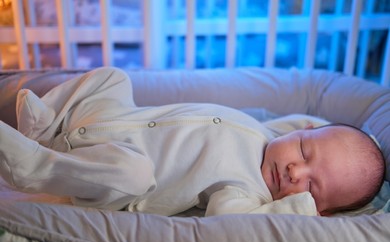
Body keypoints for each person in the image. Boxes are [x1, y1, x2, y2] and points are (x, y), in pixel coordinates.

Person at [0, 67, 385, 217]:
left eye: (311, 188)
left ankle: (35, 167)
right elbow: (315, 125)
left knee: (129, 174)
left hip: (119, 166)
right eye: (303, 151)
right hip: (111, 119)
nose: (295, 170)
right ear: (297, 133)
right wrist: (358, 136)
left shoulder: (248, 194)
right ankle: (47, 130)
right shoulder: (274, 133)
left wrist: (301, 210)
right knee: (114, 78)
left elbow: (229, 222)